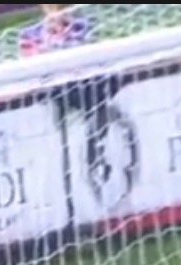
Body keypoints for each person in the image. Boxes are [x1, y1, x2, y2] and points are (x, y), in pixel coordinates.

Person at [21, 5, 117, 191]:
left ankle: (95, 151)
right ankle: (91, 154)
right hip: (55, 89)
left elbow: (93, 60)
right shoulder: (31, 35)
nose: (58, 9)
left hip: (85, 85)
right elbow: (32, 68)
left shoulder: (83, 27)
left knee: (103, 85)